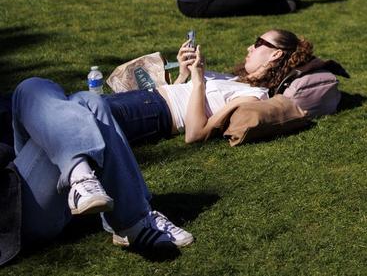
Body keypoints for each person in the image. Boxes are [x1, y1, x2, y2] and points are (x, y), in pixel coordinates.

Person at [6, 77, 191, 260]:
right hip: (13, 214)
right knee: (43, 92)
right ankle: (131, 219)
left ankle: (85, 180)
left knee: (82, 98)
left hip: (15, 178)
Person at [104, 28, 317, 148]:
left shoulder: (252, 96)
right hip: (148, 99)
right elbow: (179, 95)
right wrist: (184, 73)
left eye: (259, 42)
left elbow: (195, 134)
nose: (250, 47)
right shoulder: (234, 80)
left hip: (154, 113)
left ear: (276, 54)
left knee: (86, 115)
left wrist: (197, 80)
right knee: (80, 104)